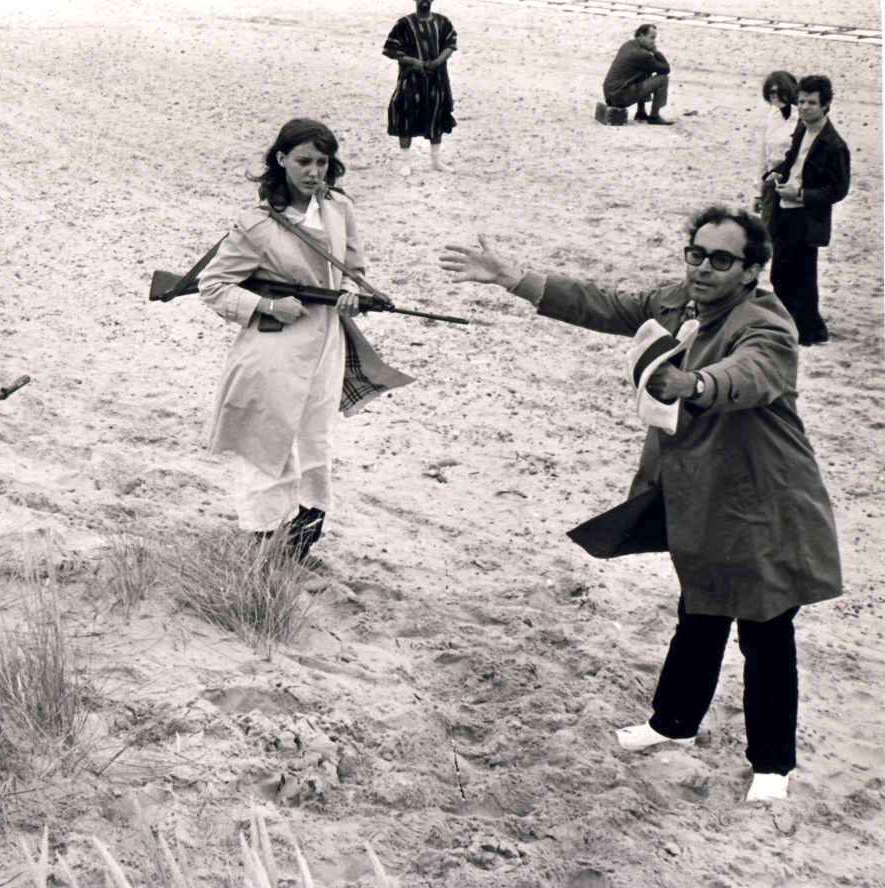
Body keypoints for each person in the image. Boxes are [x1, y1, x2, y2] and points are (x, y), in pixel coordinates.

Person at [440, 206, 842, 802]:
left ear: (752, 270)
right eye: (697, 253)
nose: (704, 268)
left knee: (766, 630)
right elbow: (602, 304)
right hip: (702, 497)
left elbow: (753, 373)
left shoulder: (767, 322)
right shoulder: (678, 302)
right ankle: (673, 725)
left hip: (766, 502)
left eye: (722, 260)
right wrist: (511, 277)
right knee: (700, 610)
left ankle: (772, 764)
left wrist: (696, 384)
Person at [199, 118, 412, 561]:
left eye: (322, 162)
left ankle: (298, 546)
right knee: (267, 446)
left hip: (327, 347)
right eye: (303, 161)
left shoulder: (338, 209)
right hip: (273, 351)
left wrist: (353, 297)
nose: (314, 172)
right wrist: (270, 306)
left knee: (315, 442)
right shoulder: (257, 225)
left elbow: (353, 271)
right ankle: (261, 546)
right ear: (281, 160)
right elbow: (213, 286)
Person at [765, 74, 849, 346]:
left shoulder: (834, 145)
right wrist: (776, 174)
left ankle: (809, 331)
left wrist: (801, 194)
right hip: (784, 209)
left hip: (807, 217)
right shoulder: (801, 128)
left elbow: (838, 190)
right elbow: (791, 160)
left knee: (803, 276)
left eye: (811, 103)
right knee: (780, 273)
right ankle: (800, 326)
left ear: (825, 106)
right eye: (801, 101)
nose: (804, 107)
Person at [382, 0, 458, 174]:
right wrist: (414, 62)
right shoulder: (404, 23)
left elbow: (450, 44)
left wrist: (439, 61)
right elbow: (392, 49)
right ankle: (406, 163)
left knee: (437, 114)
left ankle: (436, 161)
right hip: (410, 78)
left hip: (437, 78)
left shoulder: (442, 22)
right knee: (405, 113)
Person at [752, 71, 799, 230]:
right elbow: (763, 156)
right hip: (771, 184)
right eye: (771, 92)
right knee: (767, 234)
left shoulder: (802, 118)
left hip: (793, 186)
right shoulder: (772, 115)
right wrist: (758, 193)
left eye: (781, 92)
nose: (775, 96)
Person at [602, 24, 672, 125]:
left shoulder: (628, 45)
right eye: (652, 38)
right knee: (663, 79)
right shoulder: (642, 55)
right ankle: (654, 116)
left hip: (610, 94)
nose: (653, 42)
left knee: (644, 71)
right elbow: (666, 69)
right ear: (641, 36)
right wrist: (656, 51)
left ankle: (641, 112)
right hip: (620, 96)